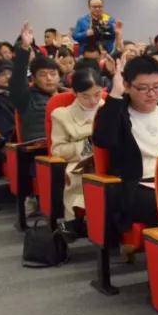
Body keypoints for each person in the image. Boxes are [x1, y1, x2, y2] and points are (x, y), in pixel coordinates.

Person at [93, 56, 158, 235]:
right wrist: (115, 94)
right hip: (135, 186)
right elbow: (103, 140)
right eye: (143, 88)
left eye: (157, 87)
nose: (151, 94)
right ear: (127, 86)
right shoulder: (117, 113)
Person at [50, 67, 104, 236]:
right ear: (74, 92)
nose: (93, 101)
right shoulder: (62, 115)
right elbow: (57, 150)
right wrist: (88, 145)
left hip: (109, 159)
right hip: (80, 163)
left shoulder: (109, 108)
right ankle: (79, 223)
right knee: (80, 178)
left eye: (97, 94)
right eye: (85, 96)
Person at [11, 23, 59, 143]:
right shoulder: (27, 97)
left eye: (53, 74)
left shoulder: (67, 95)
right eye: (43, 74)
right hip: (39, 148)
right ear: (33, 78)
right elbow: (17, 80)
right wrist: (24, 49)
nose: (49, 78)